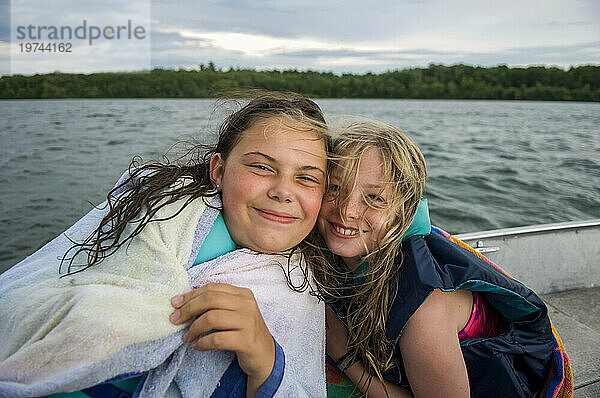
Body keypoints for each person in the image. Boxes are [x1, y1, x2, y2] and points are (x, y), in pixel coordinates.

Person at [0, 92, 330, 397]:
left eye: (307, 177)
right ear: (218, 170)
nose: (283, 191)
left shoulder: (301, 287)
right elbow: (42, 292)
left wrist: (266, 361)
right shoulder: (159, 212)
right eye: (260, 166)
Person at [312, 118, 573, 398]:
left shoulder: (425, 307)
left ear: (403, 211)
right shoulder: (339, 250)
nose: (347, 210)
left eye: (374, 198)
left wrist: (346, 358)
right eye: (335, 188)